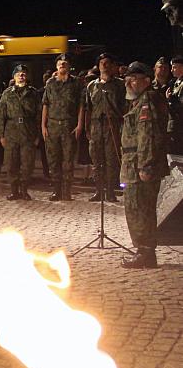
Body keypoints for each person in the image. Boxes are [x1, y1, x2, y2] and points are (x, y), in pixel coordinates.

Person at [119, 62, 170, 269]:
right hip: (134, 164)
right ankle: (145, 252)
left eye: (134, 78)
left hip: (139, 165)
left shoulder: (147, 100)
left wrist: (145, 166)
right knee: (139, 208)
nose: (129, 82)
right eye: (128, 79)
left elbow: (147, 135)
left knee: (139, 209)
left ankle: (145, 253)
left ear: (147, 81)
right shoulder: (140, 100)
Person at [84, 53, 126, 202]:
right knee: (97, 160)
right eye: (102, 63)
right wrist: (86, 128)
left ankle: (110, 191)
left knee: (111, 160)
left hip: (112, 125)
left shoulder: (119, 85)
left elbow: (124, 106)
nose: (105, 65)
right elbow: (88, 108)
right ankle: (98, 191)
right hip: (96, 126)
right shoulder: (92, 85)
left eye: (108, 63)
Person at [42, 54, 84, 201]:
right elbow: (45, 104)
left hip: (69, 125)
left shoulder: (76, 83)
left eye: (65, 64)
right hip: (52, 125)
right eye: (60, 64)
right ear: (56, 67)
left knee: (67, 160)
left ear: (69, 66)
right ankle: (56, 191)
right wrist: (43, 125)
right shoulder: (50, 83)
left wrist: (79, 124)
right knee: (53, 160)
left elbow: (81, 105)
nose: (62, 66)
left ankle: (66, 192)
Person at [0, 64, 41, 201]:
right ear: (14, 76)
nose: (21, 76)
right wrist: (1, 135)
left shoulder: (33, 93)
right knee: (11, 163)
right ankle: (14, 191)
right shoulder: (7, 93)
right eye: (18, 74)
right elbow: (1, 115)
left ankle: (24, 190)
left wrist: (37, 135)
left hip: (28, 131)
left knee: (27, 163)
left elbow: (38, 115)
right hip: (11, 131)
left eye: (23, 74)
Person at [167, 56, 183, 154]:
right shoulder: (174, 82)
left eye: (174, 67)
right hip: (174, 123)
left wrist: (170, 99)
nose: (172, 70)